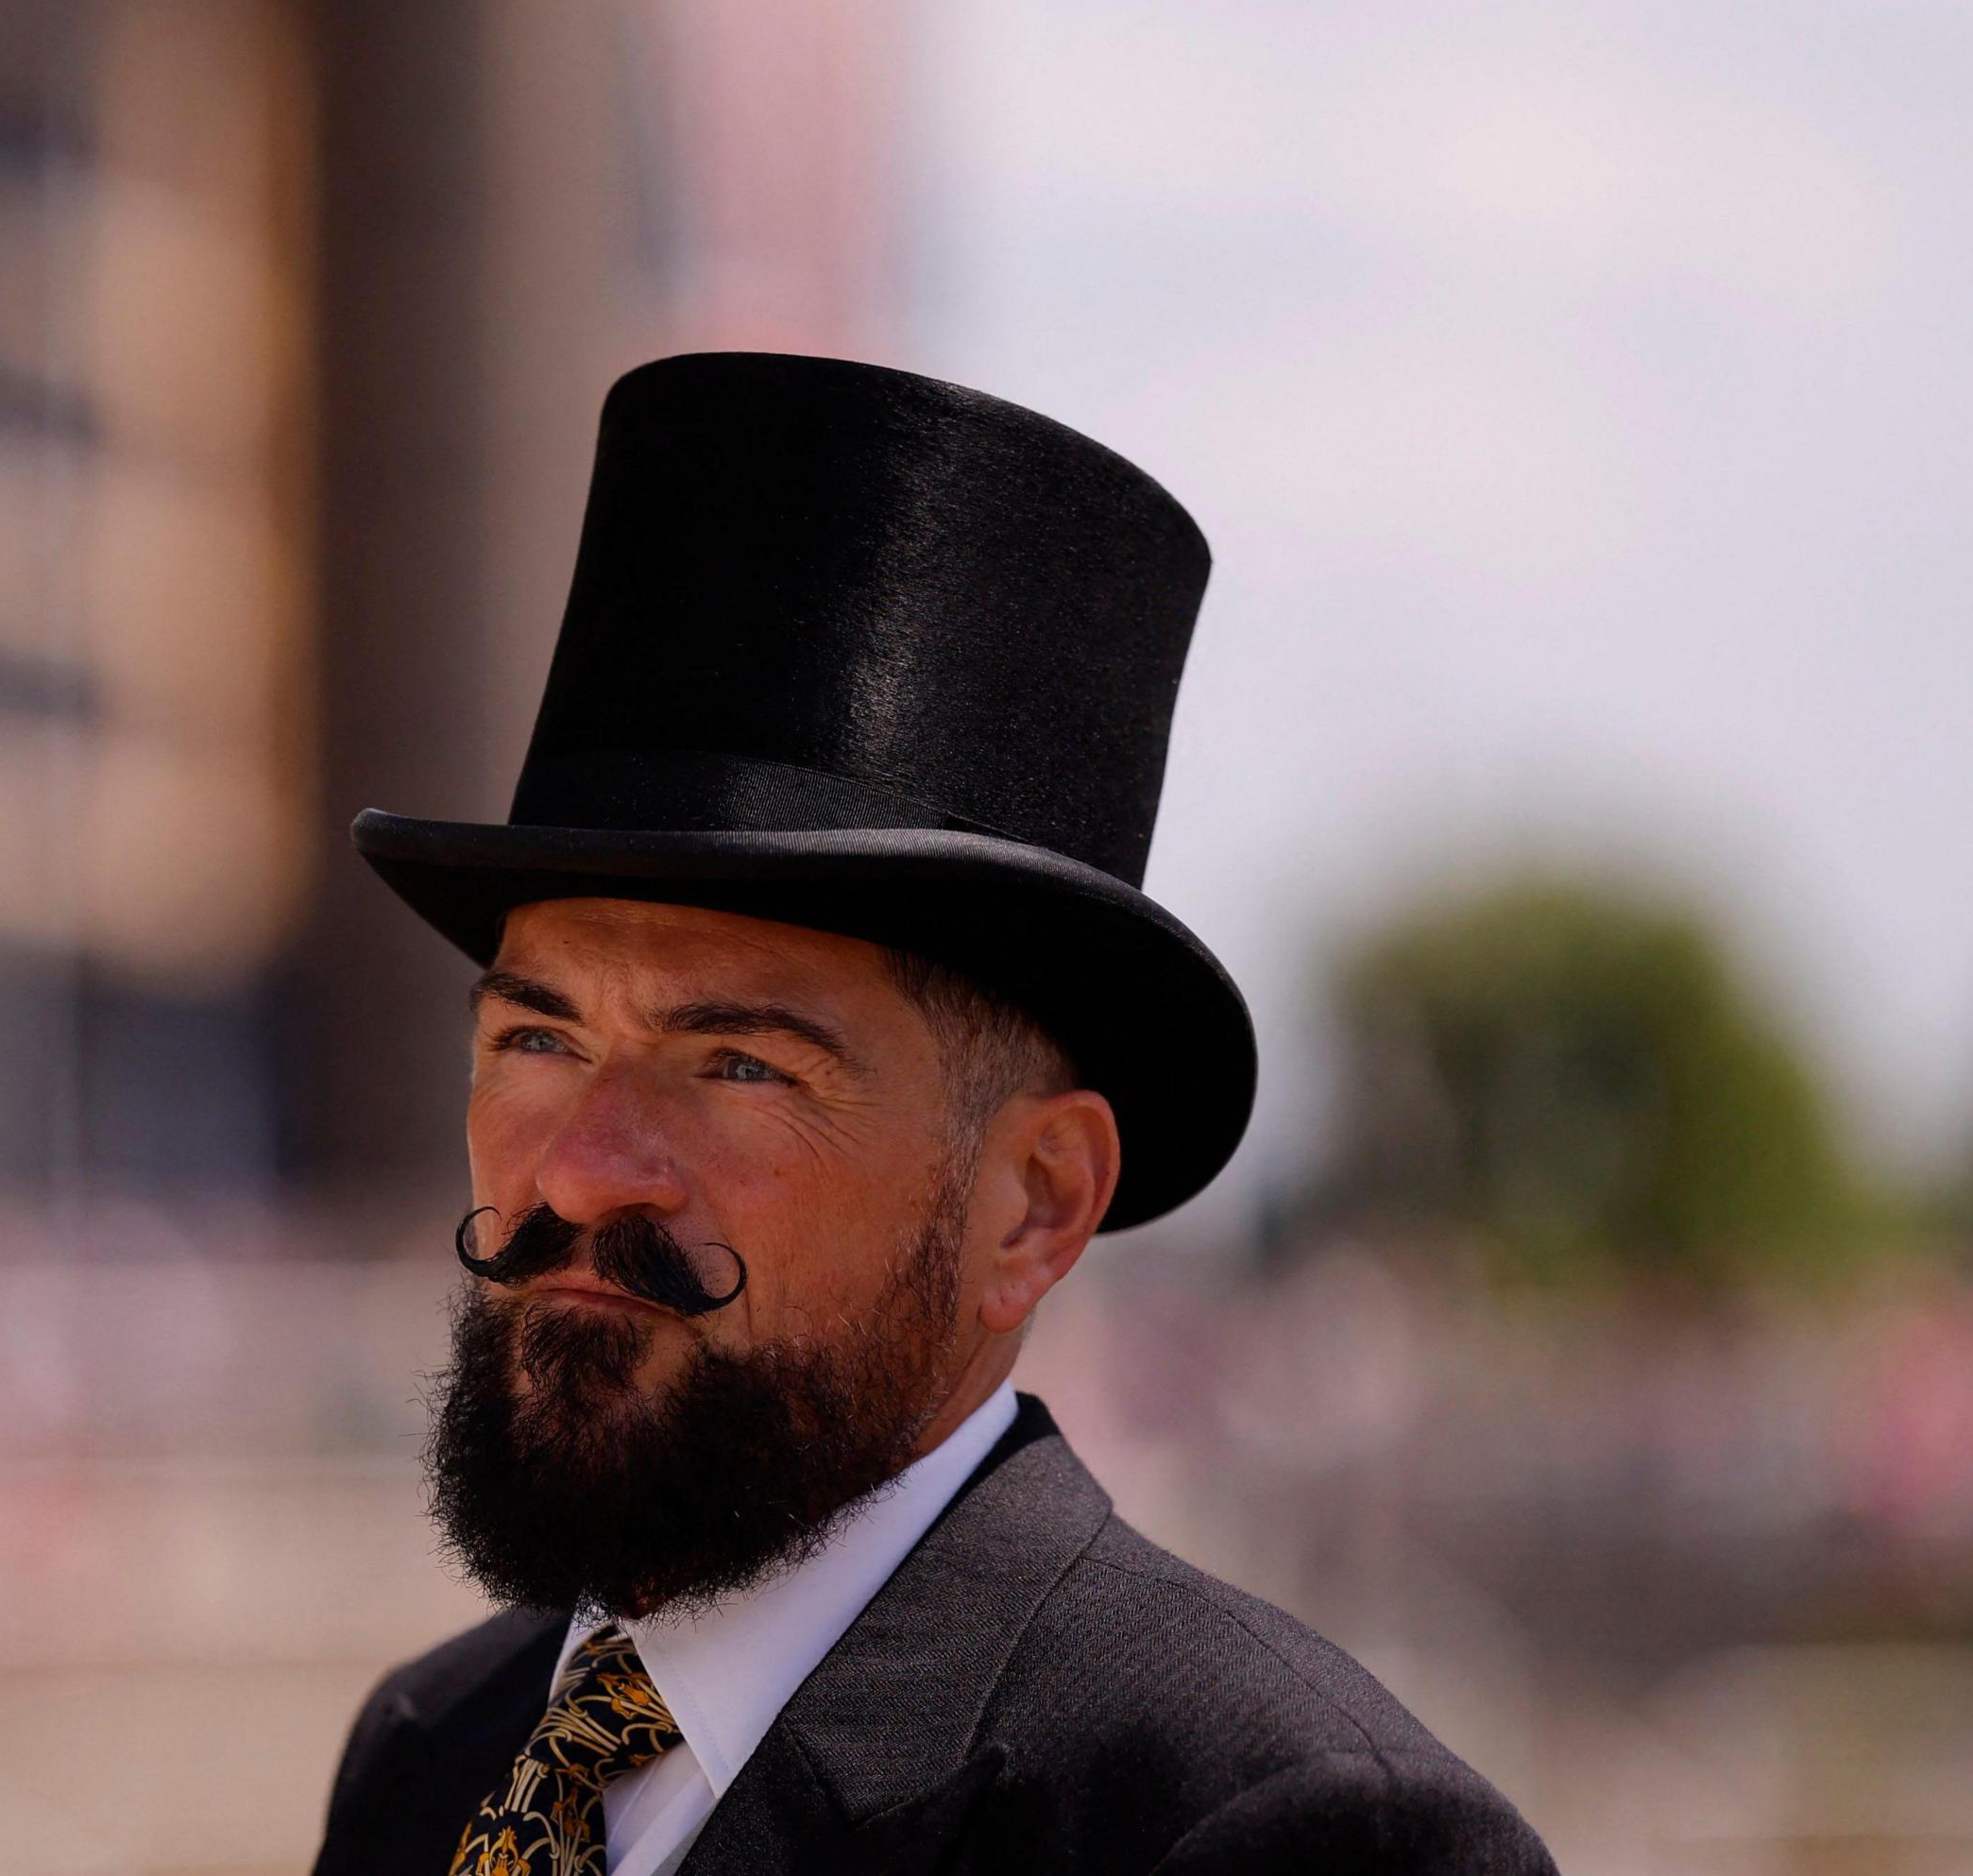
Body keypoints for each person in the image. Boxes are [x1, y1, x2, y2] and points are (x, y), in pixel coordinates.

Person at [312, 355, 1551, 1876]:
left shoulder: (1264, 1832)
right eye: (538, 1035)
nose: (579, 1164)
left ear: (1031, 1204)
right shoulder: (433, 1756)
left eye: (740, 1067)